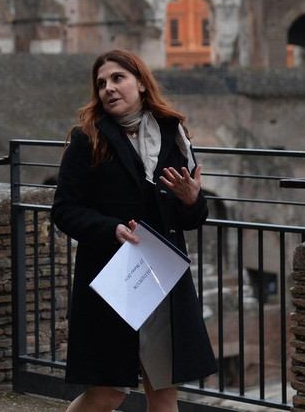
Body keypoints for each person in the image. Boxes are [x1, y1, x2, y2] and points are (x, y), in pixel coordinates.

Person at [51, 49, 217, 412]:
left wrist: (192, 200)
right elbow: (64, 210)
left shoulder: (175, 137)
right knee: (108, 392)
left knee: (164, 391)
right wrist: (110, 229)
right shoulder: (87, 138)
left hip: (160, 280)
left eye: (118, 78)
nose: (108, 88)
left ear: (141, 83)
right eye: (101, 83)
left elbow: (191, 218)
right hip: (113, 280)